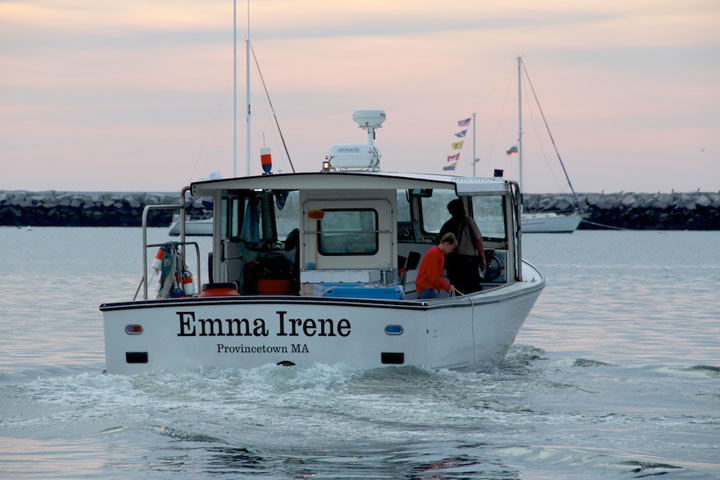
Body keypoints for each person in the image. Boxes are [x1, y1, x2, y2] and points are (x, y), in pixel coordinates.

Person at [438, 198, 487, 294]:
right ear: (462, 208)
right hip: (468, 262)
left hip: (453, 262)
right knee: (472, 289)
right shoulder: (468, 221)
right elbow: (478, 240)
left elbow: (440, 243)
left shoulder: (447, 225)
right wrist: (483, 258)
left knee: (456, 289)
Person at [415, 232, 458, 299]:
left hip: (429, 289)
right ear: (446, 244)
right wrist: (447, 287)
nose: (451, 251)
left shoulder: (439, 254)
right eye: (451, 248)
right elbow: (434, 278)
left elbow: (437, 277)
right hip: (428, 290)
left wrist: (446, 286)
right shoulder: (434, 253)